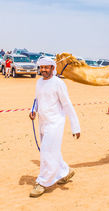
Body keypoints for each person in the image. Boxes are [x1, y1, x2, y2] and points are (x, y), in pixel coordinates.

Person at [28, 57, 81, 198]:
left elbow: (67, 105)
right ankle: (66, 171)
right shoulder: (39, 82)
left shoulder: (58, 83)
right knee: (51, 152)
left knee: (46, 152)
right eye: (42, 67)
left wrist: (75, 127)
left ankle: (43, 183)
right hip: (42, 122)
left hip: (55, 123)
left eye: (47, 67)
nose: (44, 70)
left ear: (52, 68)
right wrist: (33, 110)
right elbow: (36, 99)